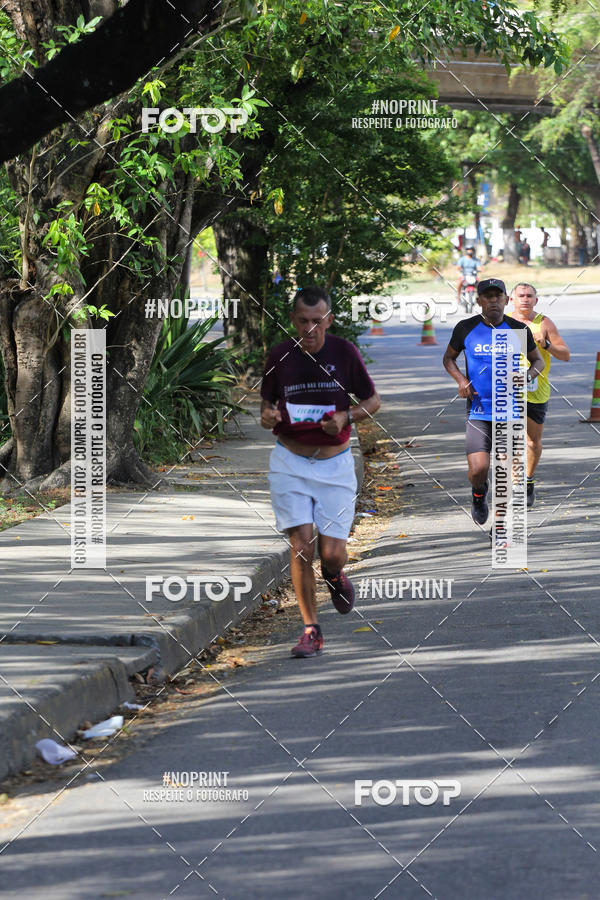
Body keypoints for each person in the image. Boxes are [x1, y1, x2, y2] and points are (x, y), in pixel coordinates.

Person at [260, 286, 381, 658]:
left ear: (328, 319)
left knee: (331, 553)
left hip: (335, 464)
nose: (310, 329)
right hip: (290, 462)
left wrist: (346, 416)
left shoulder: (343, 353)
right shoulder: (280, 355)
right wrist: (268, 416)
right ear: (293, 320)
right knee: (300, 546)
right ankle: (311, 629)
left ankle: (333, 575)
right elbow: (266, 407)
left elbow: (373, 401)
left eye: (317, 321)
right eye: (303, 321)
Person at [442, 278, 544, 525]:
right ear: (479, 301)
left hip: (510, 411)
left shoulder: (518, 330)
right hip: (478, 411)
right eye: (488, 297)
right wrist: (461, 380)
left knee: (504, 472)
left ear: (507, 300)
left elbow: (537, 361)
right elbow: (448, 359)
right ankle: (478, 494)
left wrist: (525, 375)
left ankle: (500, 528)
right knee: (478, 470)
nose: (494, 301)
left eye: (499, 297)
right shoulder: (466, 328)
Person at [509, 283, 570, 507]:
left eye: (529, 296)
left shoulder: (543, 323)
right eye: (521, 295)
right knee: (511, 441)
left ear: (536, 300)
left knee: (532, 442)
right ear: (511, 299)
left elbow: (565, 355)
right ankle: (515, 486)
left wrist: (546, 345)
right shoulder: (501, 323)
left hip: (536, 390)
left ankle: (528, 480)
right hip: (507, 389)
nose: (525, 299)